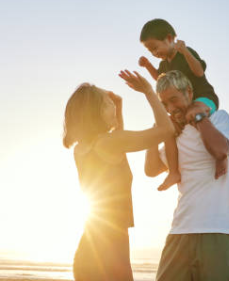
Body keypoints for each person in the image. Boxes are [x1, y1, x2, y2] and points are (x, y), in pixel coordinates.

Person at [63, 70, 174, 281]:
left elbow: (117, 149)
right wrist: (149, 91)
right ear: (94, 112)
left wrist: (118, 109)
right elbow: (166, 129)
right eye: (107, 104)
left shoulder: (83, 148)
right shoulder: (110, 143)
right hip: (111, 247)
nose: (113, 105)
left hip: (90, 246)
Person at [145, 70, 229, 281]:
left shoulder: (219, 118)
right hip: (180, 231)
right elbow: (151, 169)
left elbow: (220, 150)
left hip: (218, 230)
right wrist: (157, 130)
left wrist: (198, 118)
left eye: (173, 100)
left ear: (189, 92)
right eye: (164, 104)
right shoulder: (175, 136)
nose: (170, 108)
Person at [138, 18, 220, 190]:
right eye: (150, 50)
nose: (154, 52)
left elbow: (199, 71)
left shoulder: (184, 53)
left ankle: (220, 158)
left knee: (193, 113)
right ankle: (173, 172)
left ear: (169, 38)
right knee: (167, 128)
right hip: (183, 108)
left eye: (155, 47)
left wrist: (185, 51)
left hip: (203, 99)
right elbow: (160, 80)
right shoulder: (164, 64)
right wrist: (147, 66)